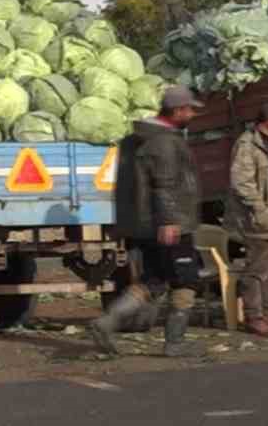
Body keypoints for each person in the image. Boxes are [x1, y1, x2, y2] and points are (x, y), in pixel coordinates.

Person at [90, 85, 206, 358]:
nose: (192, 114)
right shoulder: (164, 142)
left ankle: (106, 322)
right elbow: (163, 185)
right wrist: (169, 221)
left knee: (153, 281)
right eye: (189, 109)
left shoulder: (135, 139)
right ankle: (175, 343)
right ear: (177, 111)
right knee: (186, 281)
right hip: (171, 224)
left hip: (144, 225)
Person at [227, 104, 268, 336]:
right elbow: (242, 183)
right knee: (256, 267)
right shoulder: (247, 145)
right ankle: (254, 316)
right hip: (258, 219)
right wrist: (260, 209)